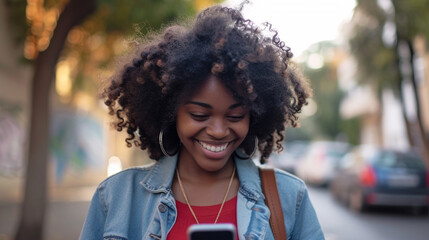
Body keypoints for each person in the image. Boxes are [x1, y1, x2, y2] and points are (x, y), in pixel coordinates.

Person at [80, 4, 324, 240]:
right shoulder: (116, 197)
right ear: (170, 112)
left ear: (255, 116)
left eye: (235, 116)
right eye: (199, 115)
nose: (218, 131)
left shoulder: (290, 197)